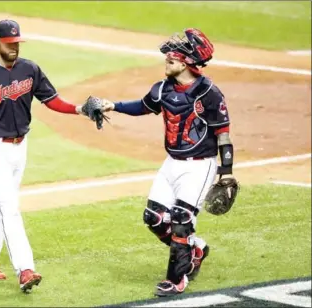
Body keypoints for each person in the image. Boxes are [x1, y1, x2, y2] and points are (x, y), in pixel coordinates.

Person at [0, 19, 89, 293]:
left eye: (17, 43)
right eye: (9, 43)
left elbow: (51, 100)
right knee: (10, 207)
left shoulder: (30, 69)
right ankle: (25, 269)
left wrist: (80, 109)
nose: (14, 48)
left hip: (20, 147)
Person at [98, 28, 235, 296]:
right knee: (154, 218)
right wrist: (112, 105)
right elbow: (143, 106)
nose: (167, 61)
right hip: (171, 163)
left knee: (182, 220)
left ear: (187, 62)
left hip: (199, 165)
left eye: (173, 59)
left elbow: (223, 133)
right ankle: (195, 249)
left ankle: (177, 279)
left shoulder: (210, 93)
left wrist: (226, 172)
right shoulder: (161, 89)